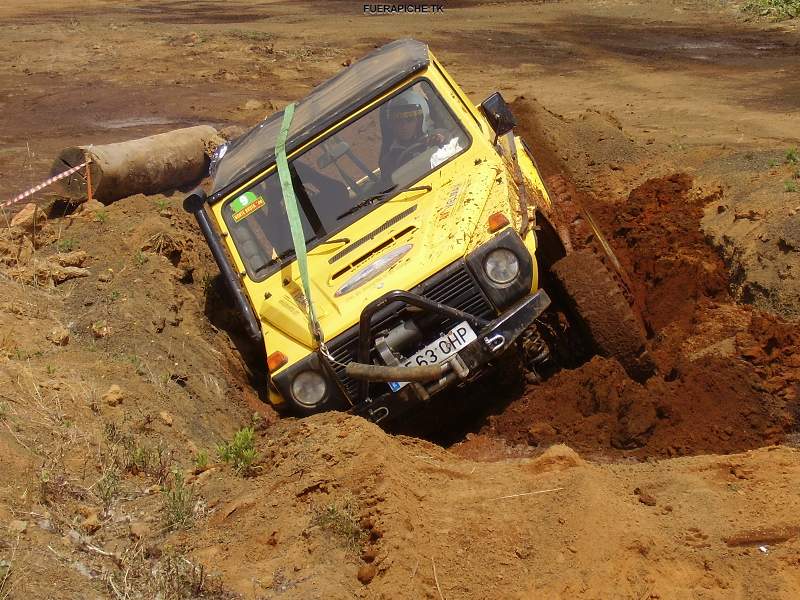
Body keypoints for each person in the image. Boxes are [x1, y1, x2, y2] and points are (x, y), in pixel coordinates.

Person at [379, 89, 448, 185]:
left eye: (409, 119)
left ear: (420, 120)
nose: (404, 126)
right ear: (391, 124)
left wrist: (441, 140)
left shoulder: (437, 137)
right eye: (397, 121)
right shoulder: (389, 160)